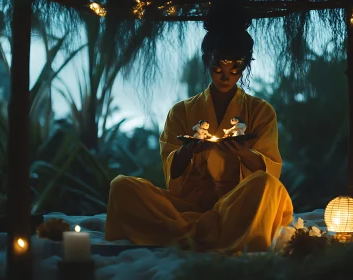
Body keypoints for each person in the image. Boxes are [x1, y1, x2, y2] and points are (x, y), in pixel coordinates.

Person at [105, 0, 293, 253]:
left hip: (236, 206)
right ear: (206, 61)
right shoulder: (181, 111)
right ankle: (210, 233)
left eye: (235, 69)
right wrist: (187, 150)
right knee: (121, 186)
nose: (225, 76)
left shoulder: (261, 111)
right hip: (186, 208)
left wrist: (243, 152)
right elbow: (172, 176)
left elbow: (269, 172)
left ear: (246, 65)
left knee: (267, 187)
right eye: (218, 68)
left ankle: (189, 234)